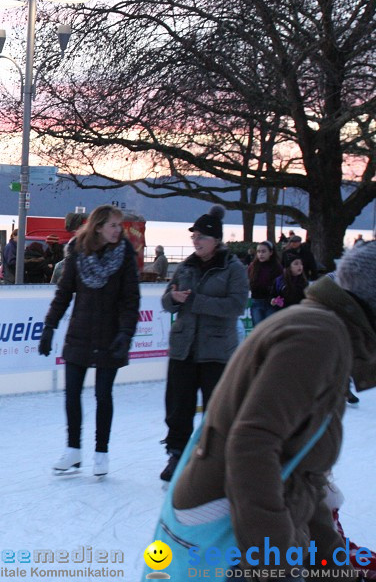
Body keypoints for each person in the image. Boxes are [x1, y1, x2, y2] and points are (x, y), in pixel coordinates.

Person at [167, 242, 376, 577]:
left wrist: (335, 563)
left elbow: (300, 472)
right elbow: (252, 445)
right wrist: (273, 565)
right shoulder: (317, 337)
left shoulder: (326, 332)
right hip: (231, 535)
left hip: (257, 528)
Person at [40, 204, 140, 477]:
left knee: (102, 395)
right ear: (98, 227)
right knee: (72, 393)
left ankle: (101, 452)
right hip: (80, 333)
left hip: (111, 334)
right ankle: (73, 450)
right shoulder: (77, 252)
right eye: (113, 226)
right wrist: (49, 326)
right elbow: (64, 293)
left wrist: (125, 334)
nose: (118, 231)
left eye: (120, 226)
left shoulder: (125, 257)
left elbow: (132, 300)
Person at [159, 204, 248, 482]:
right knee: (178, 406)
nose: (196, 241)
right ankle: (177, 454)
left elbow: (236, 305)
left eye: (201, 237)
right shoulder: (186, 267)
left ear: (216, 240)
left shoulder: (233, 268)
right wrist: (174, 299)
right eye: (193, 237)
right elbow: (165, 299)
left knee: (216, 409)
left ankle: (214, 460)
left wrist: (196, 301)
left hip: (216, 351)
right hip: (184, 348)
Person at [247, 241, 282, 327]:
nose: (261, 254)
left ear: (271, 252)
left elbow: (281, 286)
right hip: (256, 302)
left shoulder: (277, 267)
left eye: (263, 251)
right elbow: (247, 282)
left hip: (271, 303)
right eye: (258, 252)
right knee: (258, 330)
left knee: (270, 330)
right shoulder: (253, 266)